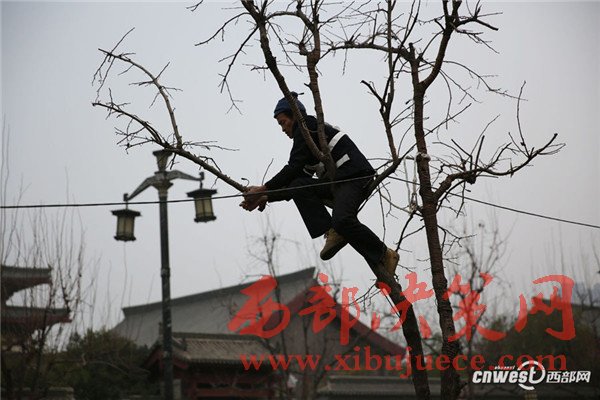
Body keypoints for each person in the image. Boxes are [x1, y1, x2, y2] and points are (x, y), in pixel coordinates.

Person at [240, 92, 398, 275]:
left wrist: (262, 189)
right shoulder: (307, 144)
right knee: (301, 186)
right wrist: (266, 197)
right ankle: (336, 233)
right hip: (339, 182)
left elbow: (293, 166)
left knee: (343, 220)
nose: (283, 129)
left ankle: (384, 254)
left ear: (295, 116)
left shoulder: (307, 126)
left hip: (354, 177)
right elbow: (296, 184)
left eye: (283, 122)